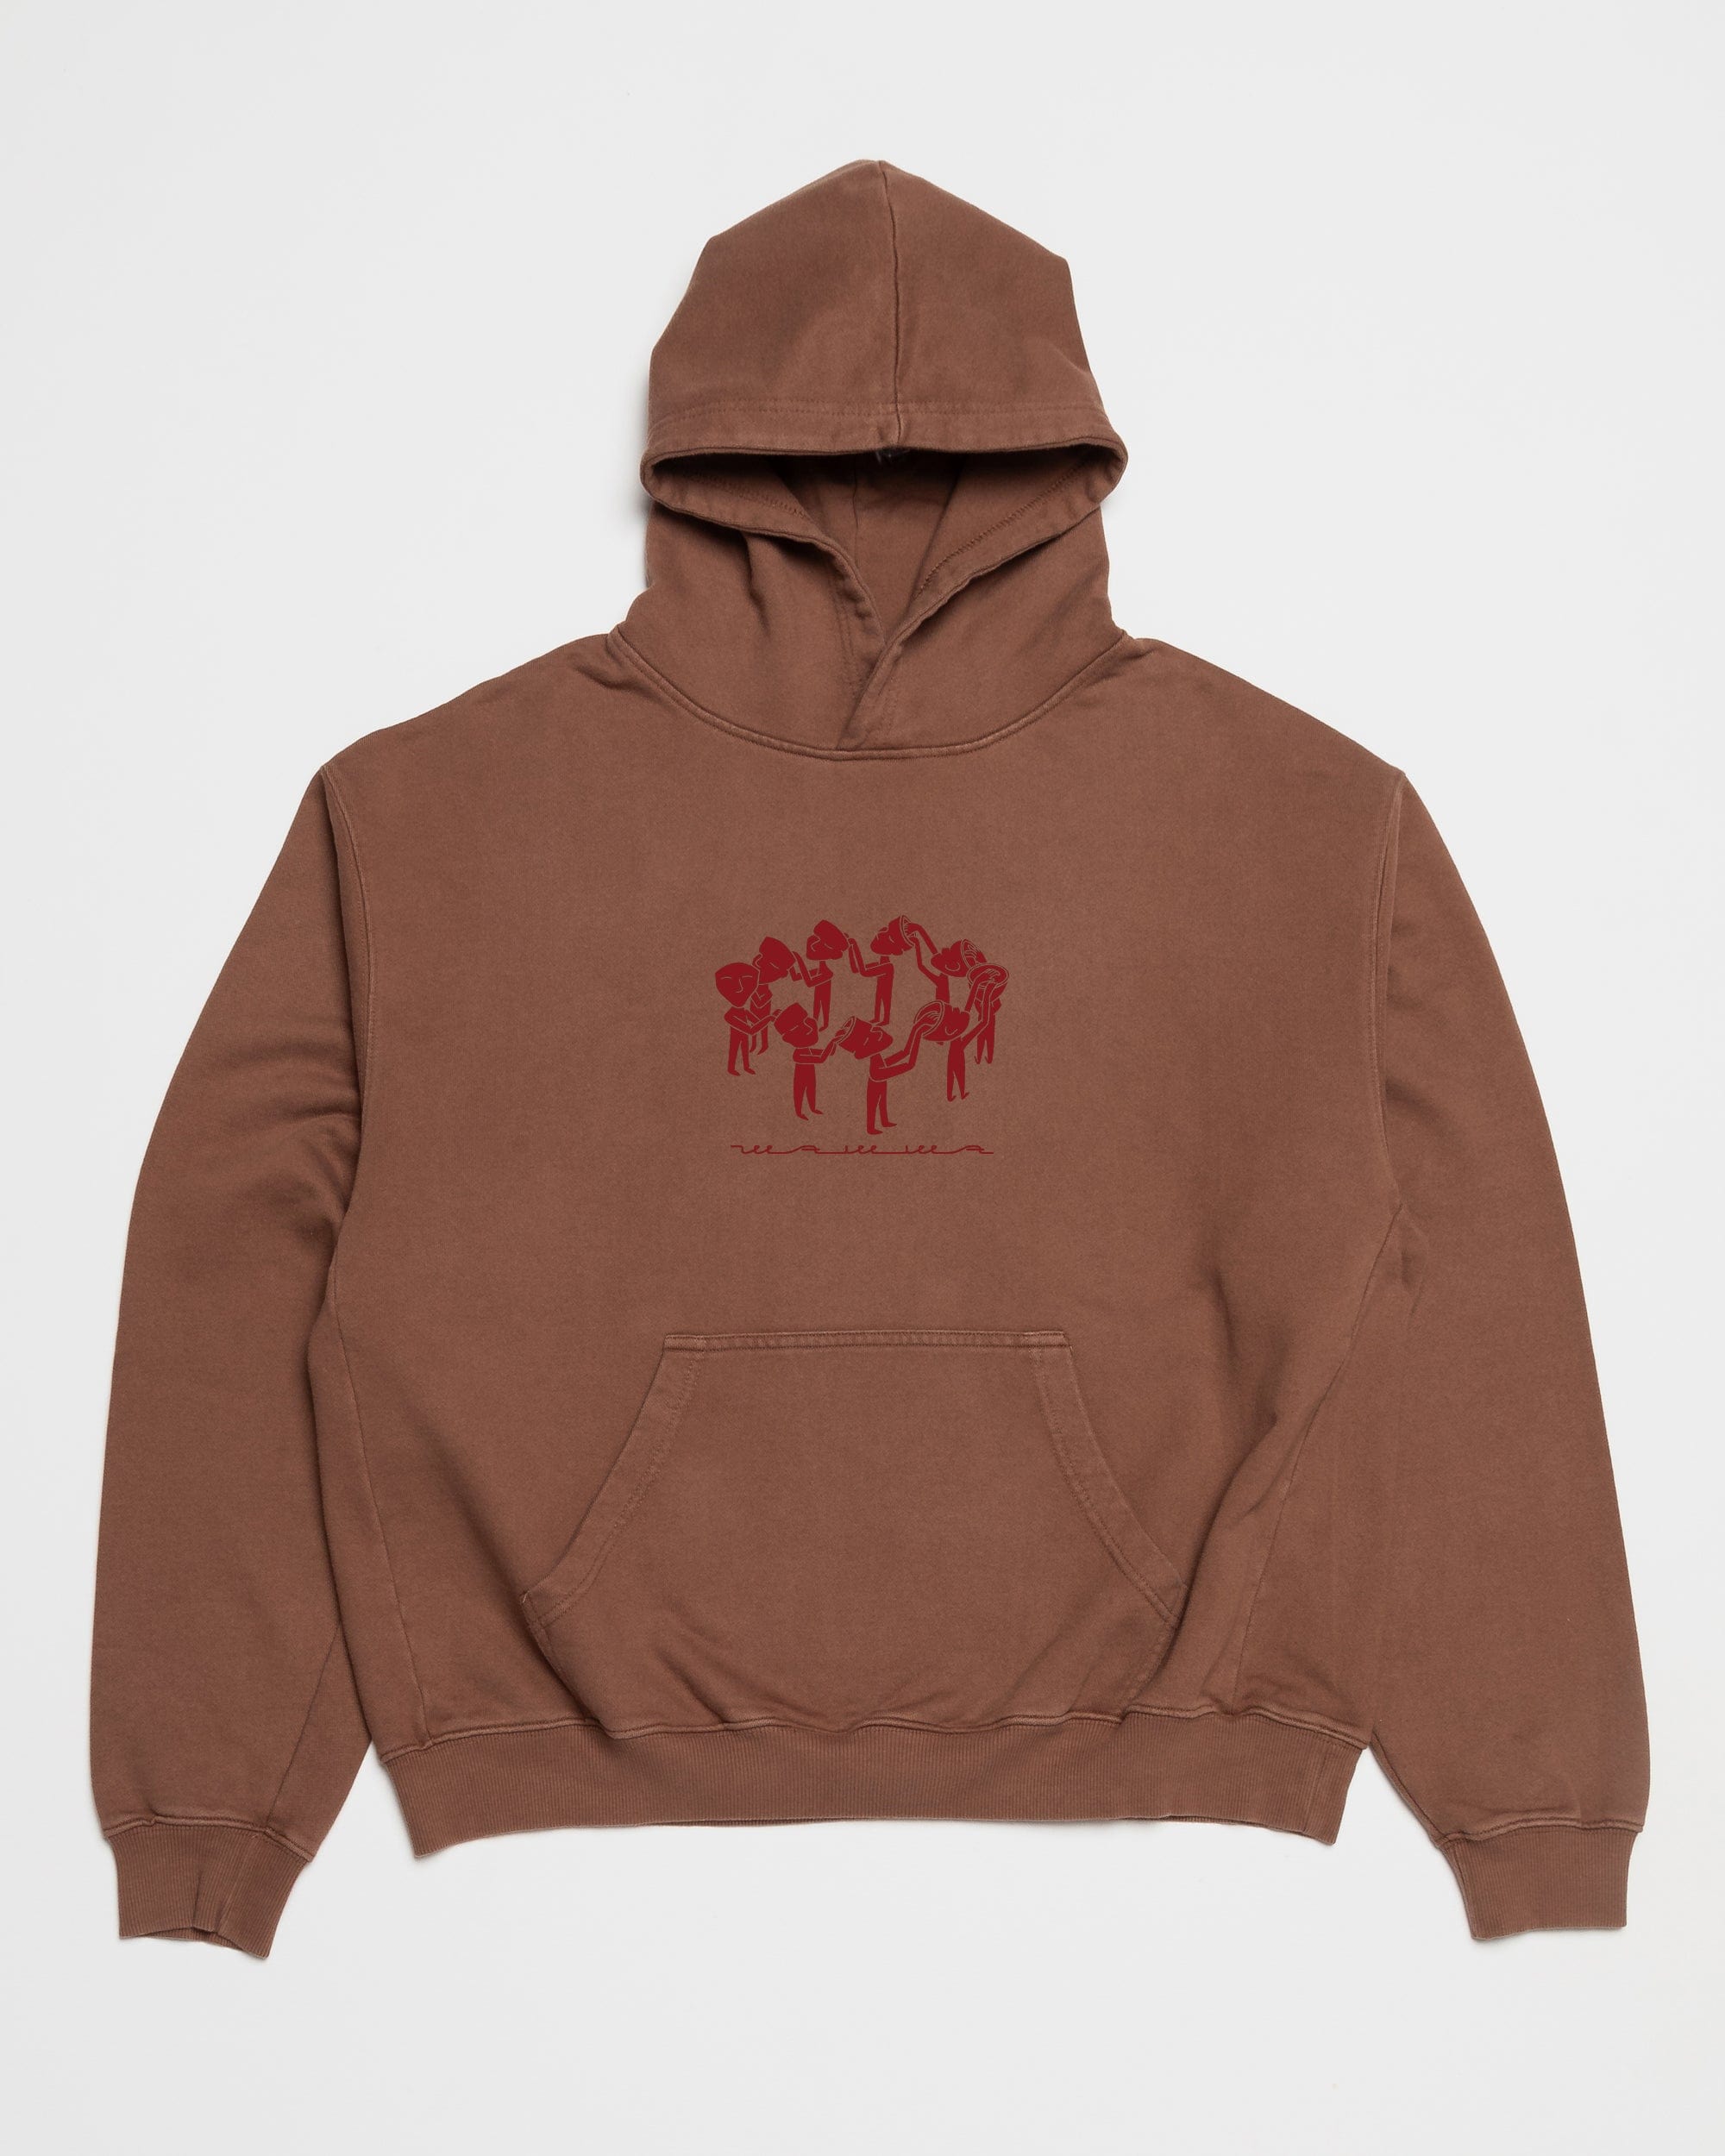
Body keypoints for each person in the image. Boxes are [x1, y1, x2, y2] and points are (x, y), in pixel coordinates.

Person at [770, 1000, 843, 1118]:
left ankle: (813, 1108)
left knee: (811, 1089)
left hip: (810, 1074)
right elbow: (821, 1059)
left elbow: (830, 1053)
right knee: (799, 1093)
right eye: (800, 1025)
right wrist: (833, 1042)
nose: (809, 1027)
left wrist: (836, 1040)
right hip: (801, 1076)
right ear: (788, 1038)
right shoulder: (798, 1055)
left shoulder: (807, 1050)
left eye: (806, 1020)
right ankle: (799, 1113)